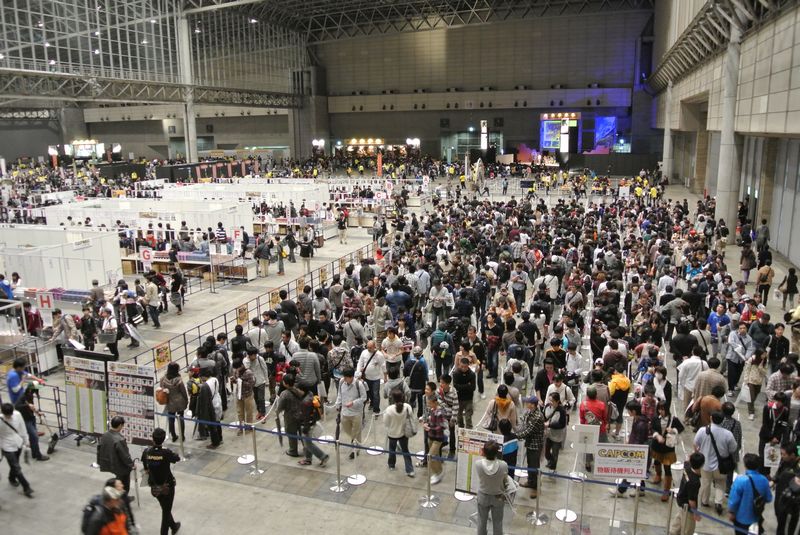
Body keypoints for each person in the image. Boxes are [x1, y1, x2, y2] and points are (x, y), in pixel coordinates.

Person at [693, 411, 738, 515]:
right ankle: (718, 502)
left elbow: (695, 444)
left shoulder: (702, 430)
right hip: (721, 466)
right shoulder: (728, 434)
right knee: (720, 483)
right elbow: (733, 448)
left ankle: (704, 501)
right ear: (723, 420)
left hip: (705, 464)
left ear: (711, 418)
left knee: (706, 483)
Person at [141, 428, 182, 535]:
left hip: (154, 486)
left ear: (153, 438)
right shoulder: (166, 452)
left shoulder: (146, 452)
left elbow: (145, 467)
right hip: (167, 486)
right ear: (163, 440)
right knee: (166, 511)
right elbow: (177, 458)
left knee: (165, 507)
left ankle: (173, 526)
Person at [728, 453, 773, 534]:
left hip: (741, 519)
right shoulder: (764, 480)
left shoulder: (740, 480)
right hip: (756, 517)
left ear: (745, 466)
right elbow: (768, 498)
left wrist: (731, 512)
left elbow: (734, 500)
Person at [650, 400, 684, 501]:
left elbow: (681, 428)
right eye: (659, 409)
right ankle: (658, 475)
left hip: (668, 447)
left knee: (667, 468)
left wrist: (673, 430)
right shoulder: (655, 418)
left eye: (662, 409)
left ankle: (666, 490)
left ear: (667, 409)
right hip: (657, 445)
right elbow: (652, 428)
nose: (660, 411)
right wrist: (657, 436)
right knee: (656, 461)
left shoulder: (673, 419)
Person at [474, 440, 509, 535]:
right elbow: (505, 479)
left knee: (481, 521)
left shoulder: (478, 464)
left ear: (484, 452)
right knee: (498, 522)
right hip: (498, 496)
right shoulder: (503, 465)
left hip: (483, 495)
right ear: (497, 452)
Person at [0, 402, 34, 498]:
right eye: (7, 415)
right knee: (16, 467)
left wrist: (26, 441)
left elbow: (22, 428)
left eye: (10, 415)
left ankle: (11, 477)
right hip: (6, 447)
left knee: (15, 464)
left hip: (18, 443)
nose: (9, 417)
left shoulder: (17, 415)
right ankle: (26, 487)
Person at [97, 416, 135, 492]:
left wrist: (99, 461)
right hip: (119, 466)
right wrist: (132, 464)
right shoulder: (119, 439)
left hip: (109, 462)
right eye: (122, 426)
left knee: (118, 479)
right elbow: (125, 455)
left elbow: (99, 449)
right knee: (124, 484)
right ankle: (122, 496)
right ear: (120, 425)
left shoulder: (105, 435)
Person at [669, 452, 704, 535]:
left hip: (681, 501)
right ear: (702, 465)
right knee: (687, 530)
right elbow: (691, 500)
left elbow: (687, 459)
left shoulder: (687, 467)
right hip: (688, 508)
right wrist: (695, 513)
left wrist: (693, 454)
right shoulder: (695, 482)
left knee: (676, 526)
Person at [382, 389, 415, 477]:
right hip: (404, 434)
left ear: (393, 398)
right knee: (405, 450)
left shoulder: (389, 409)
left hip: (392, 434)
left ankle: (391, 465)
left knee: (392, 449)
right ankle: (410, 469)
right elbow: (411, 417)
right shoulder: (407, 407)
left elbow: (386, 423)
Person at [334, 368, 366, 457]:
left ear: (351, 377)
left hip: (356, 412)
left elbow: (364, 397)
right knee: (346, 429)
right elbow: (340, 394)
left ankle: (355, 449)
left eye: (346, 377)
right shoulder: (341, 382)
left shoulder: (359, 384)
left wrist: (353, 403)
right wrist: (337, 404)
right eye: (344, 377)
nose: (344, 379)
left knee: (356, 431)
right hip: (345, 412)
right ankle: (354, 440)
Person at [517, 395, 544, 497]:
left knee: (535, 467)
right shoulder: (529, 412)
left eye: (528, 402)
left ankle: (536, 488)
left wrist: (516, 436)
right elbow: (523, 420)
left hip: (535, 445)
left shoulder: (538, 417)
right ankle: (530, 481)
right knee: (530, 464)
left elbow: (529, 431)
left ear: (533, 405)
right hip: (529, 443)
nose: (526, 404)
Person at [13, 383, 49, 461]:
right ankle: (38, 455)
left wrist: (38, 412)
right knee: (35, 437)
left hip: (31, 418)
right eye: (35, 390)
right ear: (30, 389)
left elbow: (31, 407)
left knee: (33, 438)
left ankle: (34, 454)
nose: (36, 391)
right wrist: (27, 405)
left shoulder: (30, 395)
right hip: (25, 420)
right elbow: (17, 406)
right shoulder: (23, 396)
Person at [274, 373, 305, 458]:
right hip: (301, 414)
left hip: (290, 417)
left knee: (291, 434)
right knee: (303, 433)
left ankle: (293, 450)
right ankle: (307, 449)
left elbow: (280, 407)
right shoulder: (298, 390)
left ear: (286, 384)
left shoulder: (285, 394)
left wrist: (277, 412)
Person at [159, 362, 189, 443]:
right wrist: (186, 400)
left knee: (171, 419)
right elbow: (183, 391)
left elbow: (161, 389)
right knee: (181, 418)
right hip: (180, 401)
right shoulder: (178, 380)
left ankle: (173, 436)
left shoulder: (163, 379)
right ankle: (182, 436)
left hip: (169, 402)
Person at [356, 339, 386, 416]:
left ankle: (376, 410)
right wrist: (358, 372)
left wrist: (385, 377)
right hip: (366, 377)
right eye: (367, 347)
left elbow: (383, 366)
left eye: (370, 347)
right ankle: (372, 404)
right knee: (369, 393)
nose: (368, 349)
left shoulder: (379, 355)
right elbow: (360, 363)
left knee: (376, 394)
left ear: (374, 347)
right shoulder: (364, 352)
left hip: (376, 378)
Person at [195, 369, 223, 449]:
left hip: (211, 404)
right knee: (217, 421)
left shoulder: (205, 385)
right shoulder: (214, 379)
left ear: (203, 376)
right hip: (217, 400)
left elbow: (205, 399)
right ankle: (220, 438)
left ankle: (215, 442)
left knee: (212, 424)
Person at [424, 394, 447, 485]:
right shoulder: (432, 410)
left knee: (430, 456)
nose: (428, 405)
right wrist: (427, 424)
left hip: (438, 438)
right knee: (435, 456)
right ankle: (439, 472)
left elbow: (441, 426)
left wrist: (430, 428)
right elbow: (432, 422)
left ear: (435, 402)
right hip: (431, 437)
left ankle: (438, 473)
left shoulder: (439, 413)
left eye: (429, 403)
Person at [231, 357, 256, 435]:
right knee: (240, 412)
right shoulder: (236, 372)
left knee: (249, 412)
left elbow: (252, 384)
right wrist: (234, 380)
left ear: (241, 365)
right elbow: (236, 380)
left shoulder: (249, 372)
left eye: (237, 368)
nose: (236, 370)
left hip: (248, 395)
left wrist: (241, 381)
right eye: (235, 368)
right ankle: (241, 427)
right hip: (239, 394)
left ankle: (249, 427)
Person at [543, 391, 567, 471]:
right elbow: (544, 417)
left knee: (555, 453)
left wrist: (549, 425)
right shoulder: (547, 407)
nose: (550, 402)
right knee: (546, 453)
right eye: (549, 400)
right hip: (548, 434)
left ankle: (552, 468)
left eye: (552, 401)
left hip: (557, 436)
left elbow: (562, 424)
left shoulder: (561, 411)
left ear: (557, 401)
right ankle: (550, 462)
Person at [453, 357, 476, 429]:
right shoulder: (456, 373)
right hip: (458, 398)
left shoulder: (472, 374)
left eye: (465, 367)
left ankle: (469, 431)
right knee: (459, 417)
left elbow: (473, 388)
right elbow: (456, 386)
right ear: (459, 365)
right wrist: (467, 385)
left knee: (468, 418)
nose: (463, 368)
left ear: (468, 365)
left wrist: (461, 386)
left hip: (469, 398)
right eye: (461, 366)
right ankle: (461, 430)